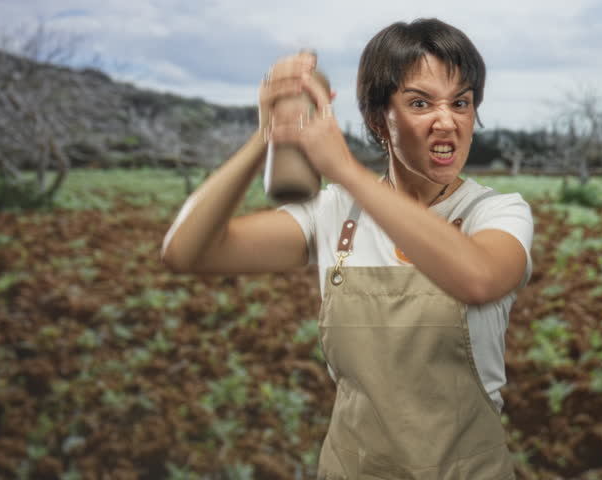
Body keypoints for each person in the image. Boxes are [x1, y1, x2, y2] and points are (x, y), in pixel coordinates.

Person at [161, 18, 532, 479]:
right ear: (379, 120)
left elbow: (479, 278)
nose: (447, 121)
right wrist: (268, 133)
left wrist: (345, 170)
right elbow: (187, 252)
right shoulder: (335, 214)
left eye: (461, 102)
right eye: (420, 103)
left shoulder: (496, 212)